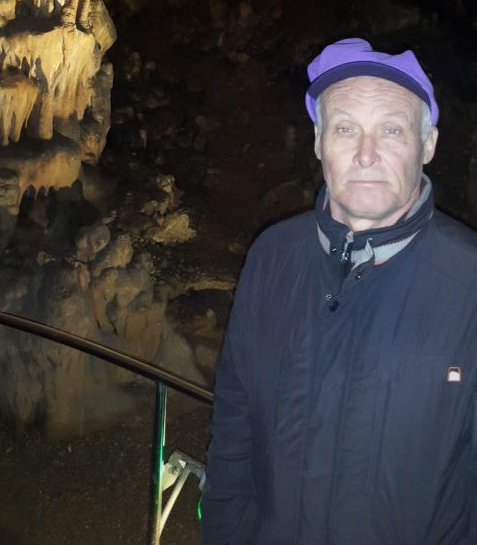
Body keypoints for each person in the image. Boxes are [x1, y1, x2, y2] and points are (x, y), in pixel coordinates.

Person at [202, 38, 477, 545]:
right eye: (346, 128)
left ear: (428, 145)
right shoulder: (271, 258)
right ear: (318, 141)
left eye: (391, 130)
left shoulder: (468, 285)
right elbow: (235, 422)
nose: (366, 154)